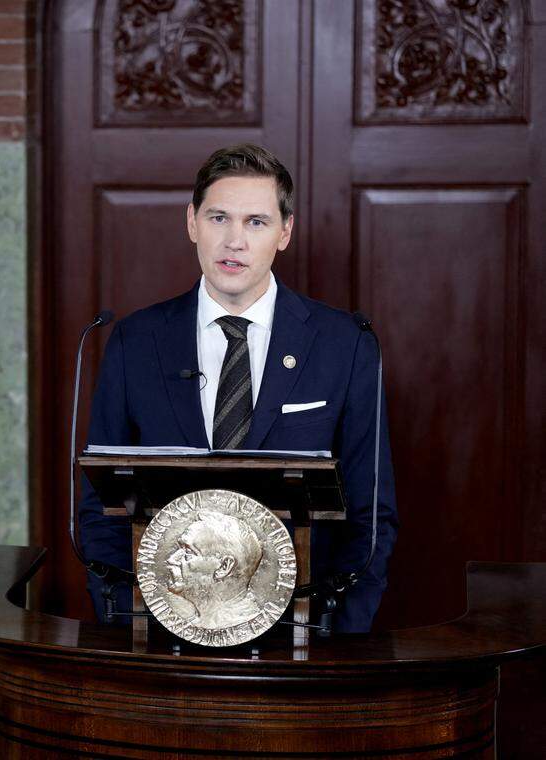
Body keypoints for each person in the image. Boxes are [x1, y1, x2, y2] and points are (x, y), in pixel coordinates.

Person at [79, 143, 398, 633]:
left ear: (284, 232)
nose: (234, 241)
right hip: (160, 635)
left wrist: (339, 633)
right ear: (191, 222)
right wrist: (132, 620)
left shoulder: (345, 345)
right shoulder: (134, 341)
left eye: (256, 222)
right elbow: (99, 506)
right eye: (218, 218)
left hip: (304, 635)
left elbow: (370, 514)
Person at [165, 510, 263, 630]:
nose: (171, 560)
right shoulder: (201, 620)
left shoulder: (239, 621)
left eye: (189, 552)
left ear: (224, 567)